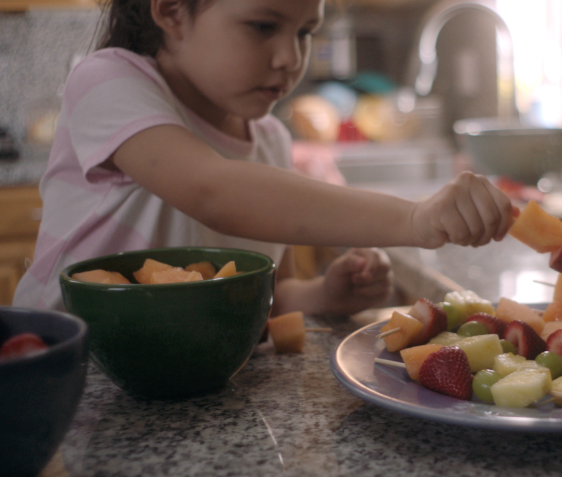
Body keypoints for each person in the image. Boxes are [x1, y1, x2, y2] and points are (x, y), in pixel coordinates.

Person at [12, 0, 515, 317]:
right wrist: (413, 217)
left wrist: (326, 296)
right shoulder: (108, 82)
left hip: (191, 382)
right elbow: (213, 190)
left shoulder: (271, 141)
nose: (290, 58)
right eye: (262, 26)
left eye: (303, 31)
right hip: (74, 372)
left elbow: (271, 296)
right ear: (170, 11)